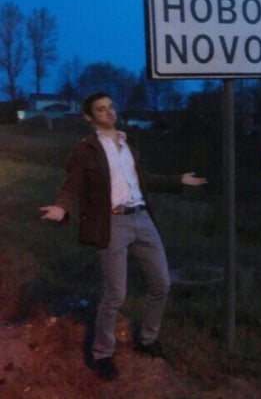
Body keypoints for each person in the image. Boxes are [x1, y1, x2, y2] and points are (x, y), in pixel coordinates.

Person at [40, 91, 207, 382]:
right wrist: (61, 207)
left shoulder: (128, 142)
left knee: (162, 283)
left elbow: (144, 180)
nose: (109, 112)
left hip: (142, 218)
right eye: (101, 109)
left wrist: (178, 180)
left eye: (111, 107)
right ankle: (102, 354)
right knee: (115, 293)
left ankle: (147, 340)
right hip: (112, 222)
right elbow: (72, 183)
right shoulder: (85, 149)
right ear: (88, 116)